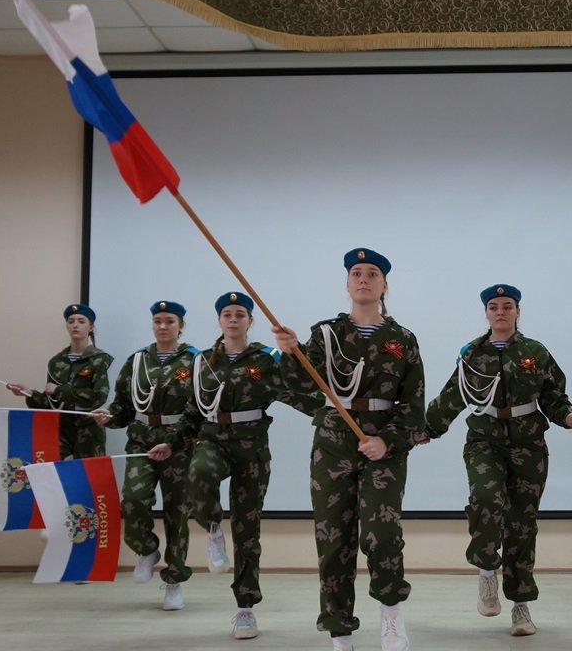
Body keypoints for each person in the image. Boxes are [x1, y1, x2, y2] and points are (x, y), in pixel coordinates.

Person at [419, 284, 572, 637]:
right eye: (494, 306)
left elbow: (554, 397)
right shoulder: (472, 353)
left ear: (518, 311)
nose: (501, 311)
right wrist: (427, 429)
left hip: (528, 443)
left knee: (521, 523)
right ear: (486, 312)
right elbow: (453, 395)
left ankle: (520, 605)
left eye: (508, 306)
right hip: (485, 439)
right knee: (486, 499)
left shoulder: (535, 351)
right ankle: (486, 569)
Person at [273, 248, 425, 651]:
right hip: (333, 444)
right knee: (333, 537)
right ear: (346, 282)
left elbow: (413, 405)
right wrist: (292, 354)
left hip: (383, 445)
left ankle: (391, 613)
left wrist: (386, 441)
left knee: (381, 533)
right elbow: (298, 387)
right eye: (356, 273)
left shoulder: (402, 339)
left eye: (372, 273)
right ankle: (339, 629)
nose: (363, 279)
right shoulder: (325, 334)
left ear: (384, 285)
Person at [148, 291, 322, 640]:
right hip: (212, 438)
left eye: (240, 314)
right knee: (197, 474)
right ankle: (213, 529)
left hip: (251, 446)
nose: (233, 319)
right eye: (226, 314)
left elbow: (298, 393)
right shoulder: (202, 363)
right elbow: (194, 410)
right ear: (219, 320)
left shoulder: (267, 359)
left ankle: (245, 609)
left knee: (246, 530)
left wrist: (330, 412)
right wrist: (173, 441)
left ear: (249, 321)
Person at [90, 300, 198, 611]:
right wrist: (107, 415)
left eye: (170, 321)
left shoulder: (195, 361)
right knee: (133, 500)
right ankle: (146, 549)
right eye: (158, 321)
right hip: (140, 442)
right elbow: (122, 406)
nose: (163, 327)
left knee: (177, 514)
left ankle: (174, 581)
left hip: (179, 445)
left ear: (181, 325)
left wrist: (182, 440)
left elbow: (201, 407)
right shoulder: (136, 361)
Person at [7, 303, 113, 459]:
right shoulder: (56, 362)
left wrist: (59, 391)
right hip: (60, 429)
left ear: (90, 327)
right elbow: (51, 403)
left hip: (88, 430)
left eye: (81, 321)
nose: (75, 325)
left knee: (87, 479)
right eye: (71, 321)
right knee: (48, 472)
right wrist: (29, 393)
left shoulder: (99, 359)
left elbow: (98, 396)